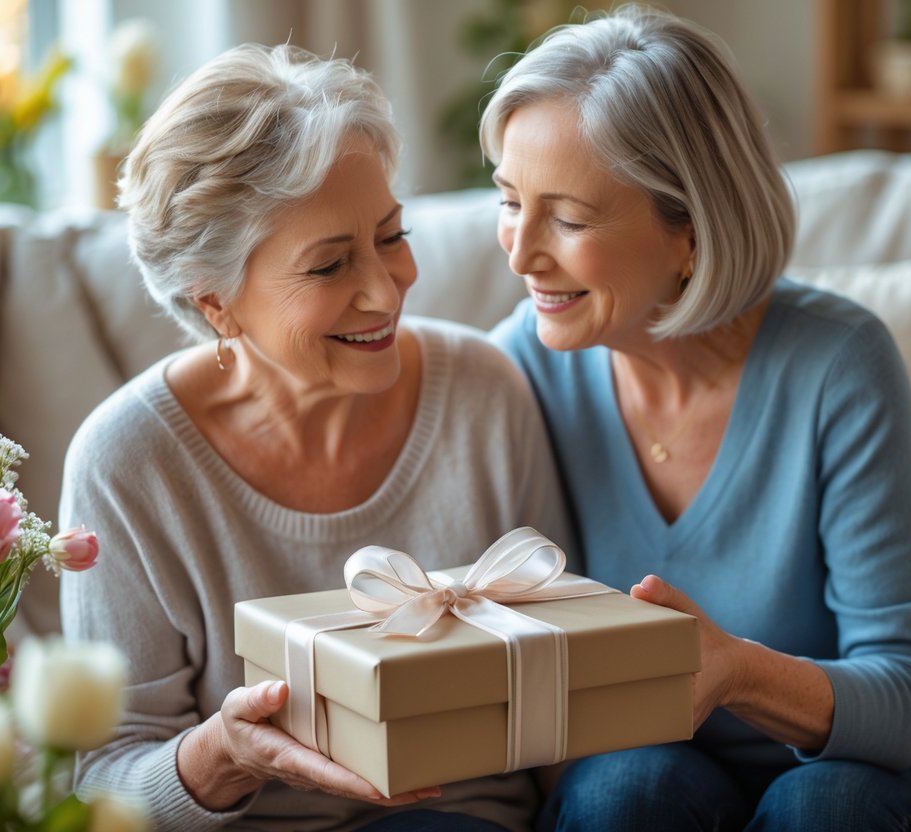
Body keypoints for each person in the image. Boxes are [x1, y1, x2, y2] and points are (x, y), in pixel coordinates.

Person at [481, 5, 911, 830]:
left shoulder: (838, 364)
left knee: (823, 805)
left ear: (689, 230)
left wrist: (738, 673)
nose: (519, 250)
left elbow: (909, 700)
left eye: (567, 218)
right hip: (652, 771)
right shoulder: (521, 364)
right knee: (618, 789)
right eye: (508, 201)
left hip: (857, 774)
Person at [58, 44, 572, 832]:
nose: (385, 288)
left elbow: (562, 677)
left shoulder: (484, 391)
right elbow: (97, 781)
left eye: (391, 236)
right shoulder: (127, 463)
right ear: (215, 306)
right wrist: (222, 755)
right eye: (330, 267)